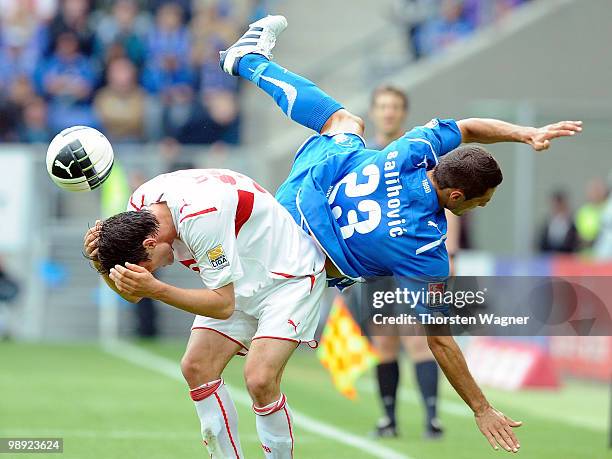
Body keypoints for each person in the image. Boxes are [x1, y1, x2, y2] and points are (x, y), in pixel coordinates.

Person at [220, 15, 582, 453]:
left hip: (298, 195)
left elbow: (466, 128)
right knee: (268, 372)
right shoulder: (426, 248)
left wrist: (522, 134)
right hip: (301, 260)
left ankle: (250, 62)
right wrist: (482, 408)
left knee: (343, 123)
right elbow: (440, 339)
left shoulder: (413, 151)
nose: (480, 207)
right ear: (455, 194)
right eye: (480, 201)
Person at [84, 168, 326, 458]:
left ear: (150, 244)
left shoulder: (202, 218)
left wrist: (156, 288)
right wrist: (101, 265)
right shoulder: (139, 210)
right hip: (238, 279)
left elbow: (222, 305)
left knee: (259, 378)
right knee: (196, 367)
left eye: (147, 267)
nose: (155, 271)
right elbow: (133, 294)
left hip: (288, 276)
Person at [364, 85, 458, 439]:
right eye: (383, 106)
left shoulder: (419, 154)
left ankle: (432, 418)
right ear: (374, 111)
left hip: (415, 261)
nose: (388, 112)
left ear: (403, 112)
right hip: (375, 266)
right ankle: (389, 418)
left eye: (395, 106)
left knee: (421, 338)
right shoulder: (363, 153)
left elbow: (446, 198)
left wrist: (450, 252)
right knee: (385, 340)